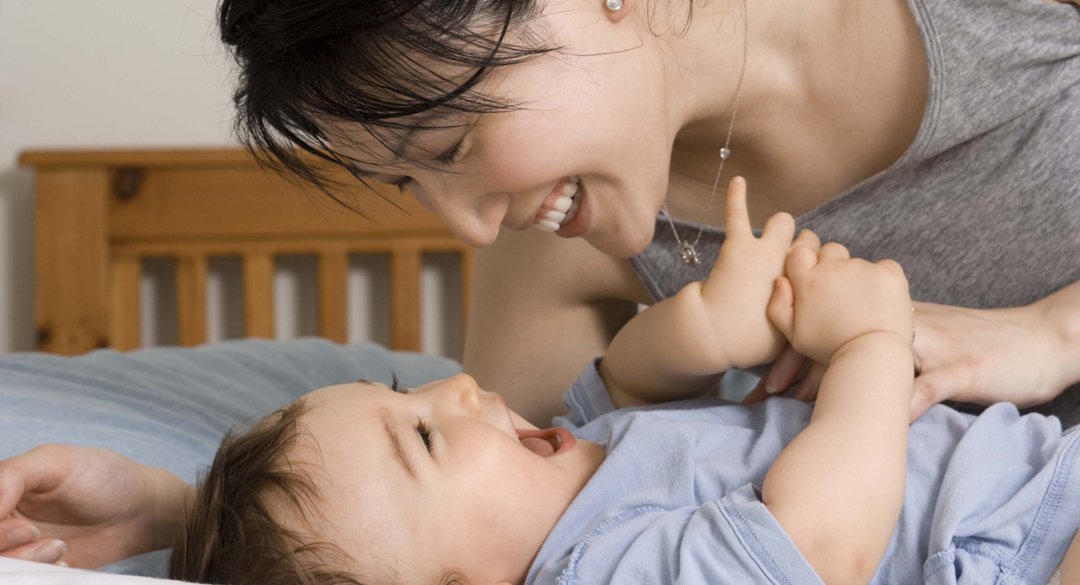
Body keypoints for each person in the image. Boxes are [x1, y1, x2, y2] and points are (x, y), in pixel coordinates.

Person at [2, 179, 1077, 584]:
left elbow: (622, 379)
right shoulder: (603, 571)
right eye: (422, 437)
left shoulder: (579, 471)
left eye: (405, 391)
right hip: (1016, 547)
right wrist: (870, 349)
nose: (458, 393)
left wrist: (705, 323)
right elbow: (821, 550)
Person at [214, 0, 1080, 425]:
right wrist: (213, 515)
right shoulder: (562, 248)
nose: (468, 226)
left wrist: (1051, 335)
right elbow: (488, 512)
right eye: (410, 186)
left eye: (451, 149)